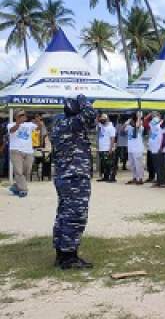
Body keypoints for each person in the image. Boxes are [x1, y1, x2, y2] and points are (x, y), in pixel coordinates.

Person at [51, 94, 96, 269]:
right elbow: (90, 114)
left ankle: (62, 254)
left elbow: (90, 121)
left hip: (65, 177)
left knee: (64, 215)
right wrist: (83, 99)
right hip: (74, 177)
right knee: (75, 216)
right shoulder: (71, 124)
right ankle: (69, 258)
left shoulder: (61, 124)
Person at [7, 111, 42, 197]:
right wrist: (18, 123)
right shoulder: (10, 125)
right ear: (16, 117)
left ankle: (16, 186)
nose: (23, 116)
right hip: (15, 150)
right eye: (21, 115)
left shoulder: (29, 124)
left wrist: (38, 121)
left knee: (27, 171)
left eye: (24, 115)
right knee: (18, 171)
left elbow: (38, 128)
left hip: (28, 151)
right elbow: (12, 130)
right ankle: (23, 190)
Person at [124, 113, 145, 185]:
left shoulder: (141, 127)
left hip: (137, 149)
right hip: (130, 149)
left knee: (138, 165)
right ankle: (135, 177)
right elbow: (122, 130)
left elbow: (137, 128)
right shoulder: (129, 127)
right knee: (132, 165)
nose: (131, 122)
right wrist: (126, 123)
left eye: (132, 121)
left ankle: (140, 178)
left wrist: (138, 117)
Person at [96, 113, 117, 183]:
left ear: (107, 119)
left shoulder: (111, 128)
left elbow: (112, 139)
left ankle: (112, 178)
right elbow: (96, 121)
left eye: (103, 119)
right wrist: (97, 115)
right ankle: (106, 177)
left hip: (108, 148)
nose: (101, 120)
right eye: (101, 119)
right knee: (104, 164)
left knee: (110, 164)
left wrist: (110, 148)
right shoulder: (101, 126)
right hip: (102, 148)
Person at [147, 113, 165, 187]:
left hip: (159, 149)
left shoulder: (162, 124)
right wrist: (149, 115)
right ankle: (158, 181)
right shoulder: (153, 124)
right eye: (153, 116)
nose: (154, 117)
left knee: (161, 166)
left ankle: (162, 182)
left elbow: (164, 137)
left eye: (156, 116)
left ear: (159, 117)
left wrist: (161, 147)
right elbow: (146, 123)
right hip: (153, 148)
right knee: (156, 166)